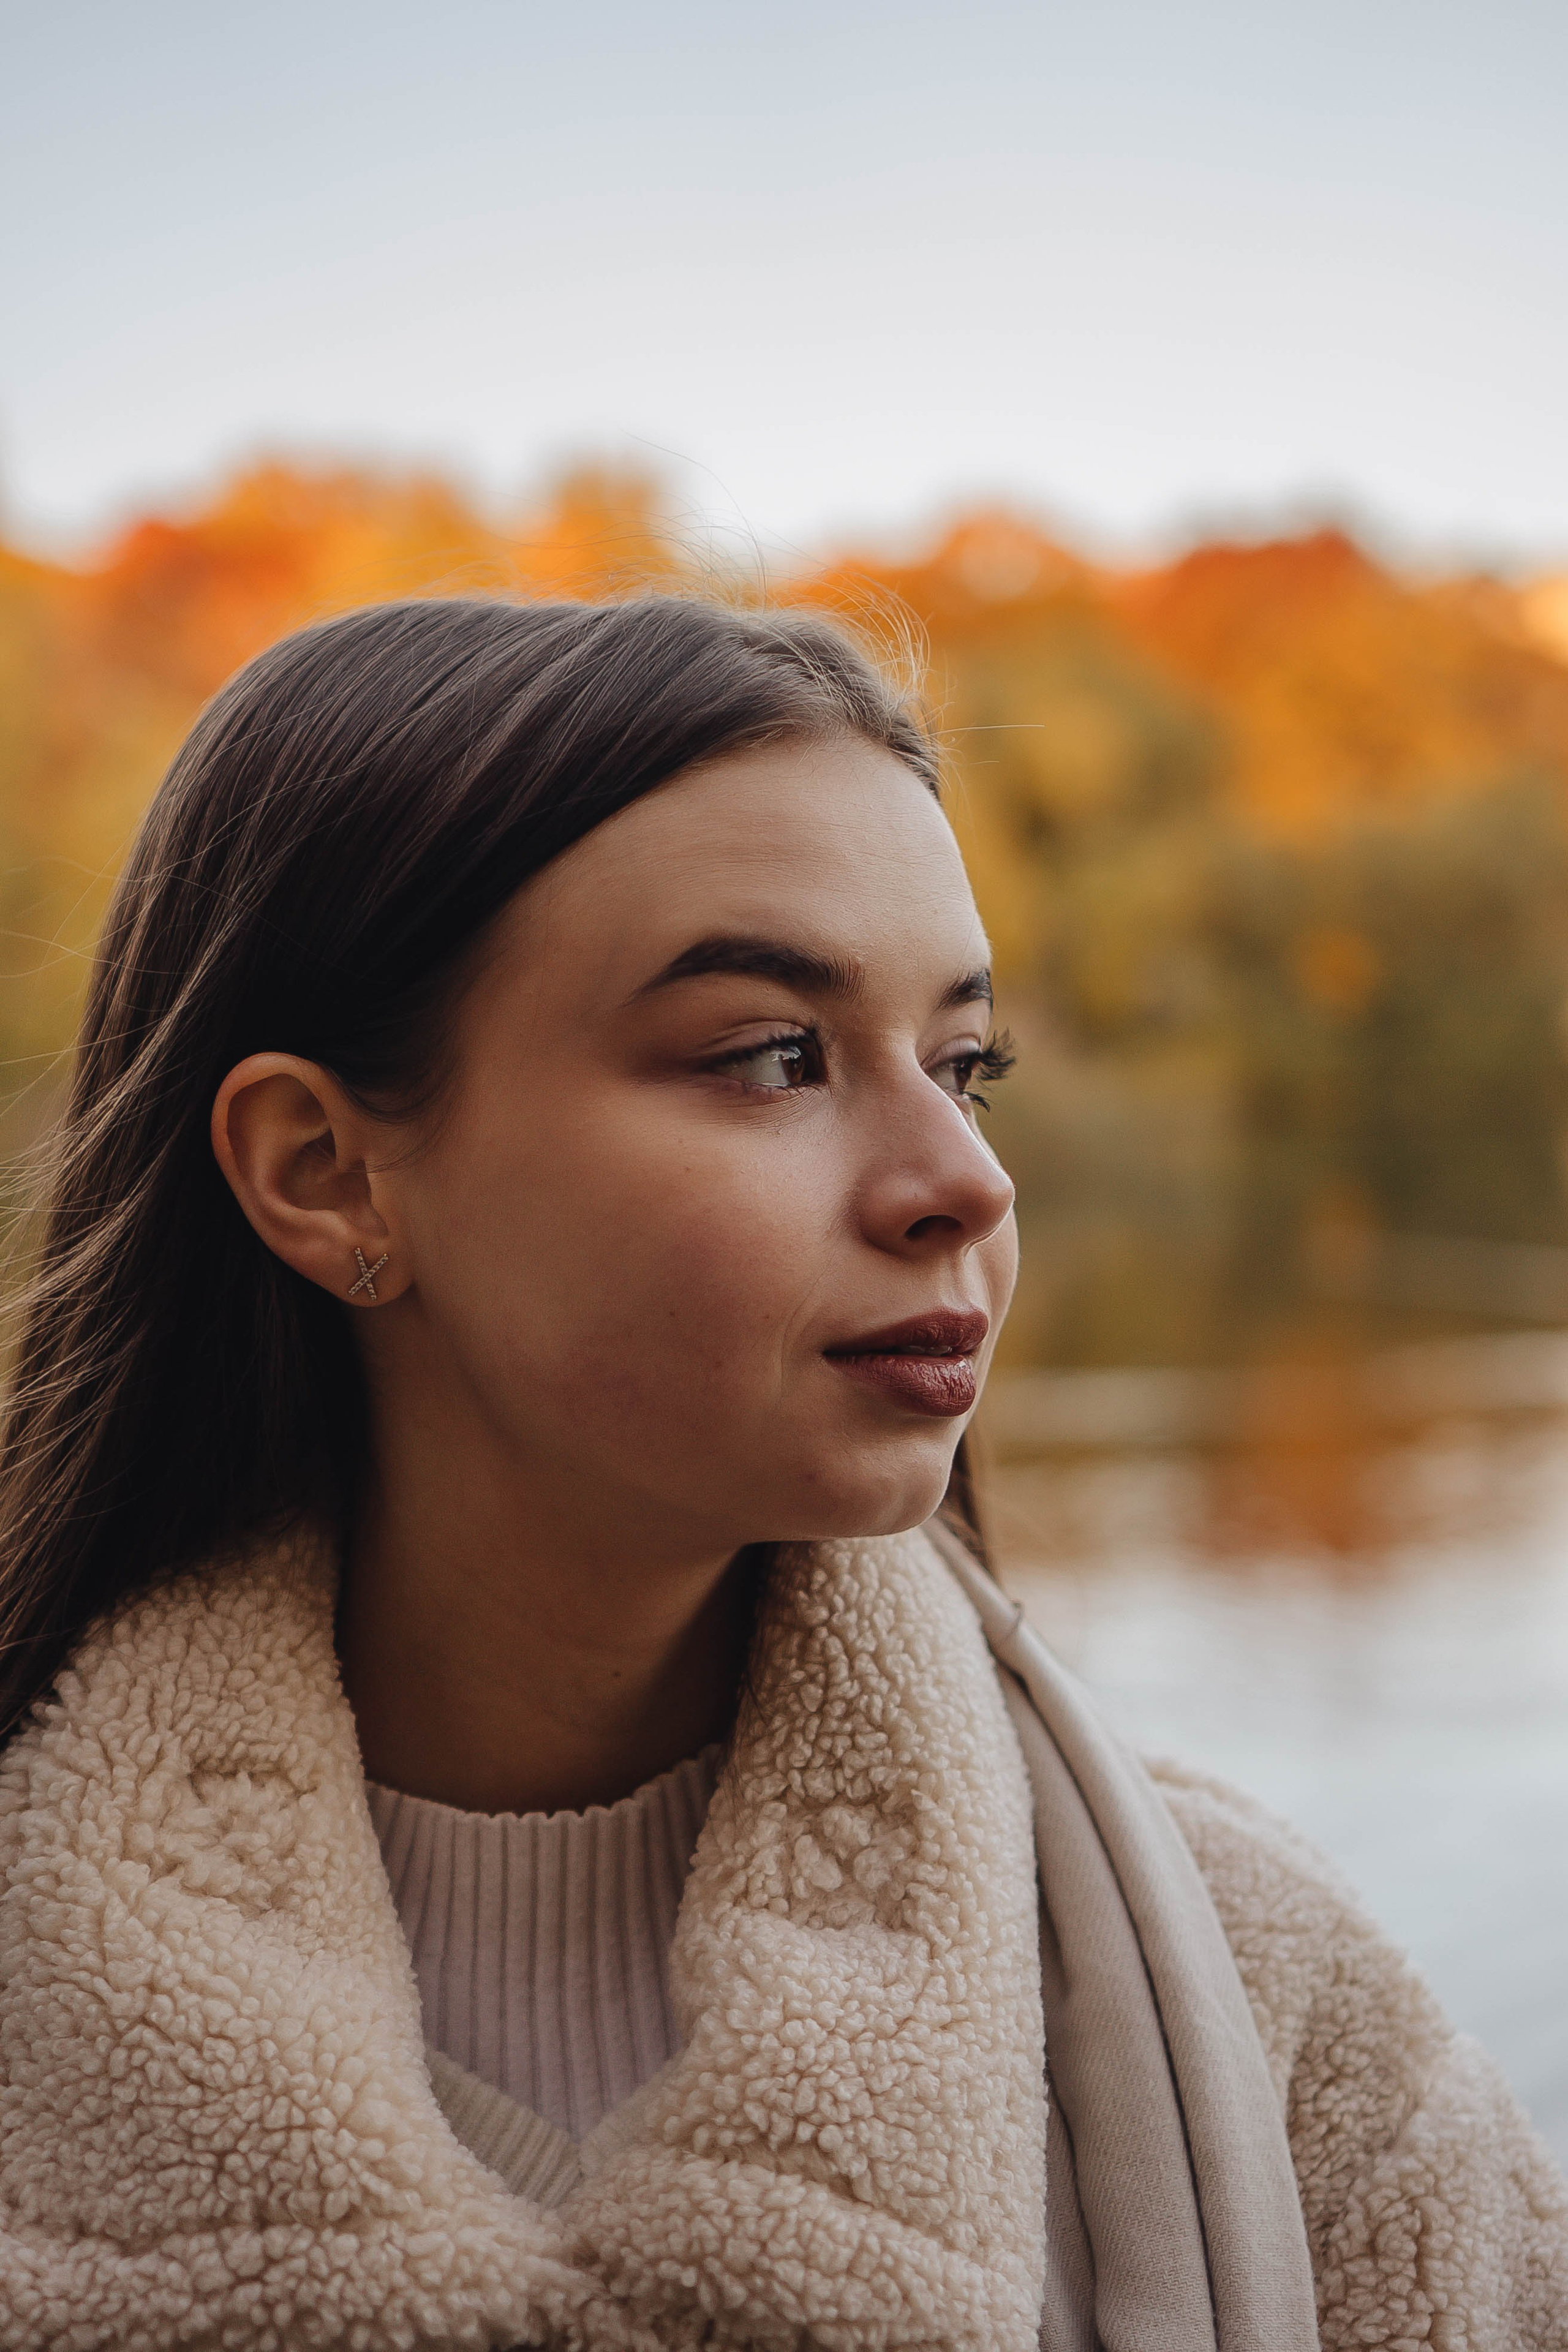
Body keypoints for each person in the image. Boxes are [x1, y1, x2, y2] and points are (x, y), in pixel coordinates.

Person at [0, 594, 1561, 2352]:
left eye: (967, 1065)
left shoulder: (1260, 2001)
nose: (963, 1182)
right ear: (328, 1172)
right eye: (770, 1055)